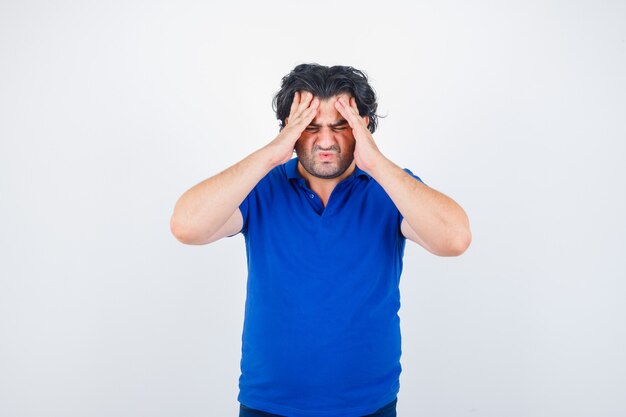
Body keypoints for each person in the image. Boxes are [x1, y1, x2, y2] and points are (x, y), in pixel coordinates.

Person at [170, 63, 471, 417]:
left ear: (363, 127)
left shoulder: (390, 188)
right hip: (269, 406)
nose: (326, 141)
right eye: (310, 128)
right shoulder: (261, 186)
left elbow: (455, 238)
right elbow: (186, 226)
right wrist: (272, 153)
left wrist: (376, 162)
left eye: (340, 126)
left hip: (369, 407)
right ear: (290, 130)